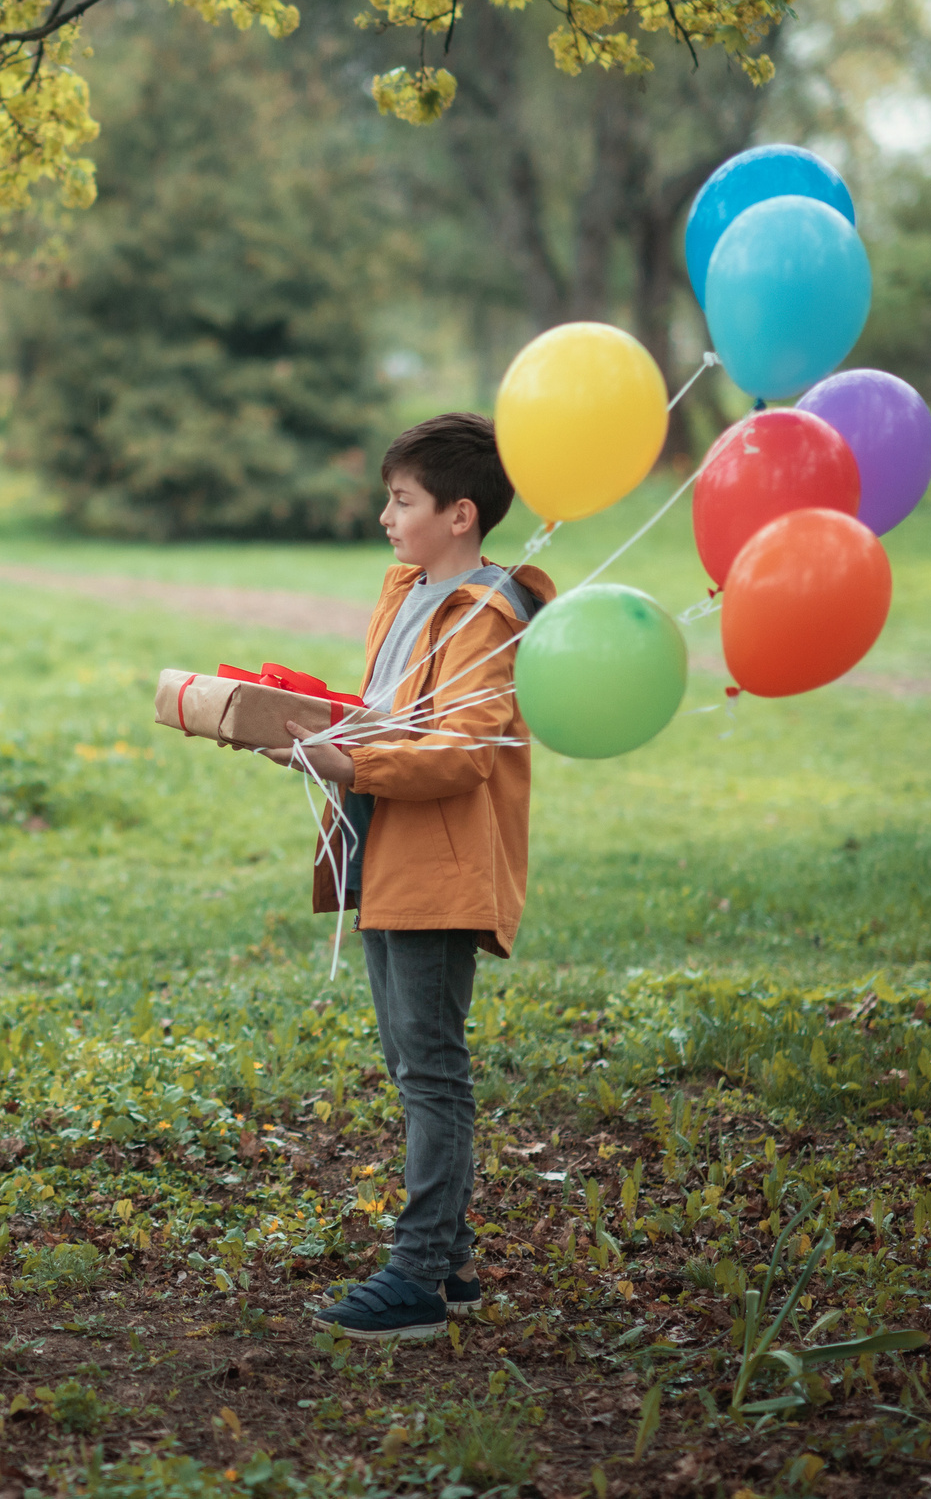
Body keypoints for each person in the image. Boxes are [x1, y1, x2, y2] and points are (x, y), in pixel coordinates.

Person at [261, 412, 554, 1342]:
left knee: (431, 1070)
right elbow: (390, 712)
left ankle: (419, 1276)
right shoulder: (410, 590)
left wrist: (349, 765)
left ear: (460, 513)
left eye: (403, 500)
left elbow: (463, 754)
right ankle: (453, 1262)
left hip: (440, 863)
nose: (386, 516)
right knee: (409, 1060)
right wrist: (316, 731)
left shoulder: (487, 618)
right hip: (385, 848)